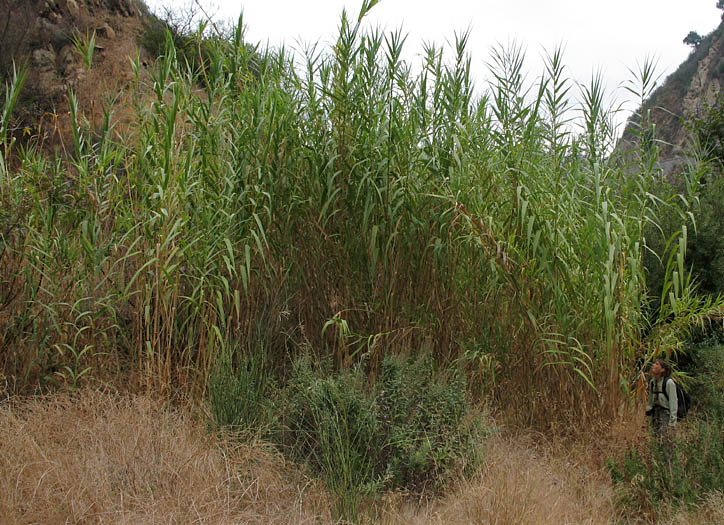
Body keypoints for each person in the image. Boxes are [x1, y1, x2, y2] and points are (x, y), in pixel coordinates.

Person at [645, 358, 678, 436]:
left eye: (656, 364)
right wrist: (649, 414)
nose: (653, 365)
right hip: (655, 413)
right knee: (655, 438)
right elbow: (650, 400)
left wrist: (672, 422)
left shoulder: (669, 383)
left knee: (665, 439)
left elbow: (673, 402)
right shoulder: (652, 382)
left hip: (665, 414)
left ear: (662, 369)